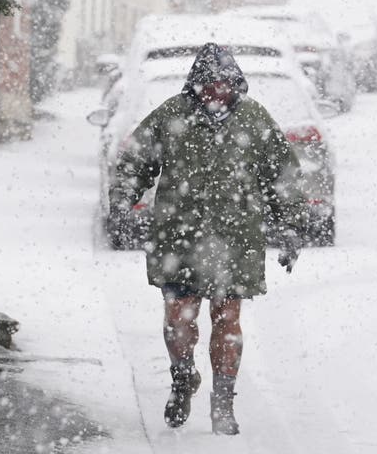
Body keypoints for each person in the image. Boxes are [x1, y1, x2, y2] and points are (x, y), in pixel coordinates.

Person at [109, 43, 307, 435]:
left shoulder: (254, 119)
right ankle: (182, 378)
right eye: (209, 84)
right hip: (178, 237)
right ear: (195, 86)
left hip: (237, 240)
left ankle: (223, 401)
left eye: (225, 84)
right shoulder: (172, 115)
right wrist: (122, 198)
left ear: (236, 84)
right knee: (178, 317)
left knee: (227, 318)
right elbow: (135, 159)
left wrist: (290, 226)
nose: (217, 91)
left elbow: (283, 174)